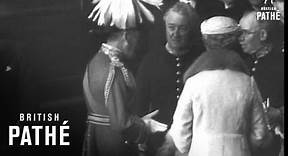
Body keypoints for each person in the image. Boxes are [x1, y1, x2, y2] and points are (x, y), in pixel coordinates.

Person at [82, 0, 167, 156]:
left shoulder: (96, 61)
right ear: (126, 36)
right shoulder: (114, 69)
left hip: (97, 139)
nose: (138, 44)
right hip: (116, 145)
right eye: (138, 39)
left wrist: (139, 120)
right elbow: (121, 124)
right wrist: (145, 126)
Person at [157, 49, 271, 156]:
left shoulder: (194, 82)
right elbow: (260, 134)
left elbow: (180, 131)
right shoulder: (247, 82)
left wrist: (185, 150)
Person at [132, 2, 204, 155]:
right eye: (171, 27)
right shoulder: (150, 61)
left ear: (191, 29)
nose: (175, 34)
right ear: (165, 26)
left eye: (182, 28)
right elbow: (140, 105)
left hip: (195, 139)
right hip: (158, 141)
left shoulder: (201, 60)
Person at [239, 10, 284, 156]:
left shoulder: (281, 63)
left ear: (263, 35)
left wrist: (278, 113)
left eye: (246, 33)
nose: (241, 38)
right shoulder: (243, 63)